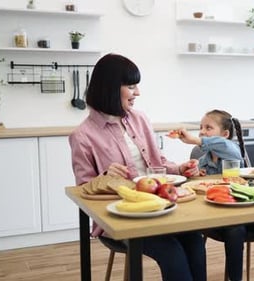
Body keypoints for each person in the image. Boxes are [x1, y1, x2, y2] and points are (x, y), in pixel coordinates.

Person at [69, 53, 206, 281]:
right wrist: (104, 177)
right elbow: (84, 191)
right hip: (123, 216)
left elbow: (157, 164)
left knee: (193, 239)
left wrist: (180, 169)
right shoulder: (82, 136)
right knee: (171, 251)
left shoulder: (139, 118)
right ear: (110, 88)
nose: (138, 93)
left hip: (160, 206)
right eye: (131, 86)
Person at [174, 109, 254, 281]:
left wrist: (196, 140)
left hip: (246, 213)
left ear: (225, 134)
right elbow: (196, 185)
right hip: (222, 217)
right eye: (201, 127)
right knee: (236, 231)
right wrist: (195, 172)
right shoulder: (203, 160)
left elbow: (223, 145)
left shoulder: (232, 151)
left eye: (208, 128)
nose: (202, 132)